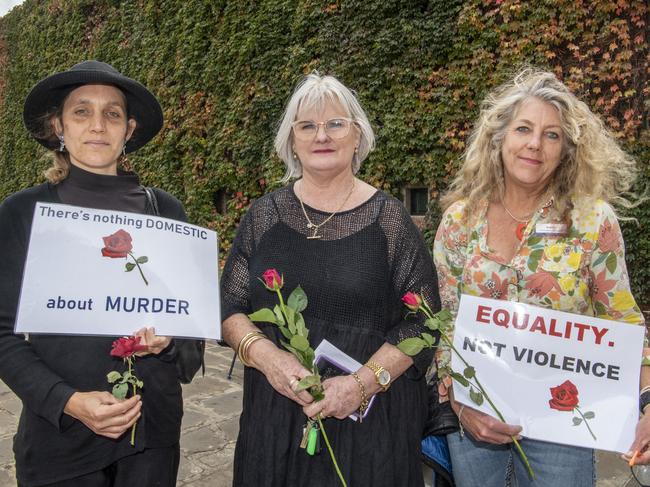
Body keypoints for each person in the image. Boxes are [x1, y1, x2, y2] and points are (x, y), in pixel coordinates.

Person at [220, 73, 439, 486]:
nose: (322, 135)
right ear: (292, 142)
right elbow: (229, 307)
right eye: (307, 125)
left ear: (357, 137)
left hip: (370, 422)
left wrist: (359, 385)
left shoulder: (390, 221)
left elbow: (423, 323)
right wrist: (271, 360)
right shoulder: (263, 217)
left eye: (336, 123)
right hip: (277, 414)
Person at [432, 67, 646, 486]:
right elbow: (443, 323)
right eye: (523, 129)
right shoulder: (459, 222)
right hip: (476, 419)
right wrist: (459, 404)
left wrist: (648, 400)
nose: (535, 144)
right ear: (499, 139)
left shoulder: (591, 221)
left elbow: (622, 320)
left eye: (552, 135)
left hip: (562, 423)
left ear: (566, 150)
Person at [0, 60, 204, 487]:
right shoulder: (23, 214)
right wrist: (68, 401)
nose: (98, 125)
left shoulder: (166, 213)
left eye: (112, 113)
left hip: (151, 440)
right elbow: (2, 333)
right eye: (81, 111)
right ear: (59, 126)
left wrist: (169, 342)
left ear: (128, 130)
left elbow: (191, 345)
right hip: (61, 441)